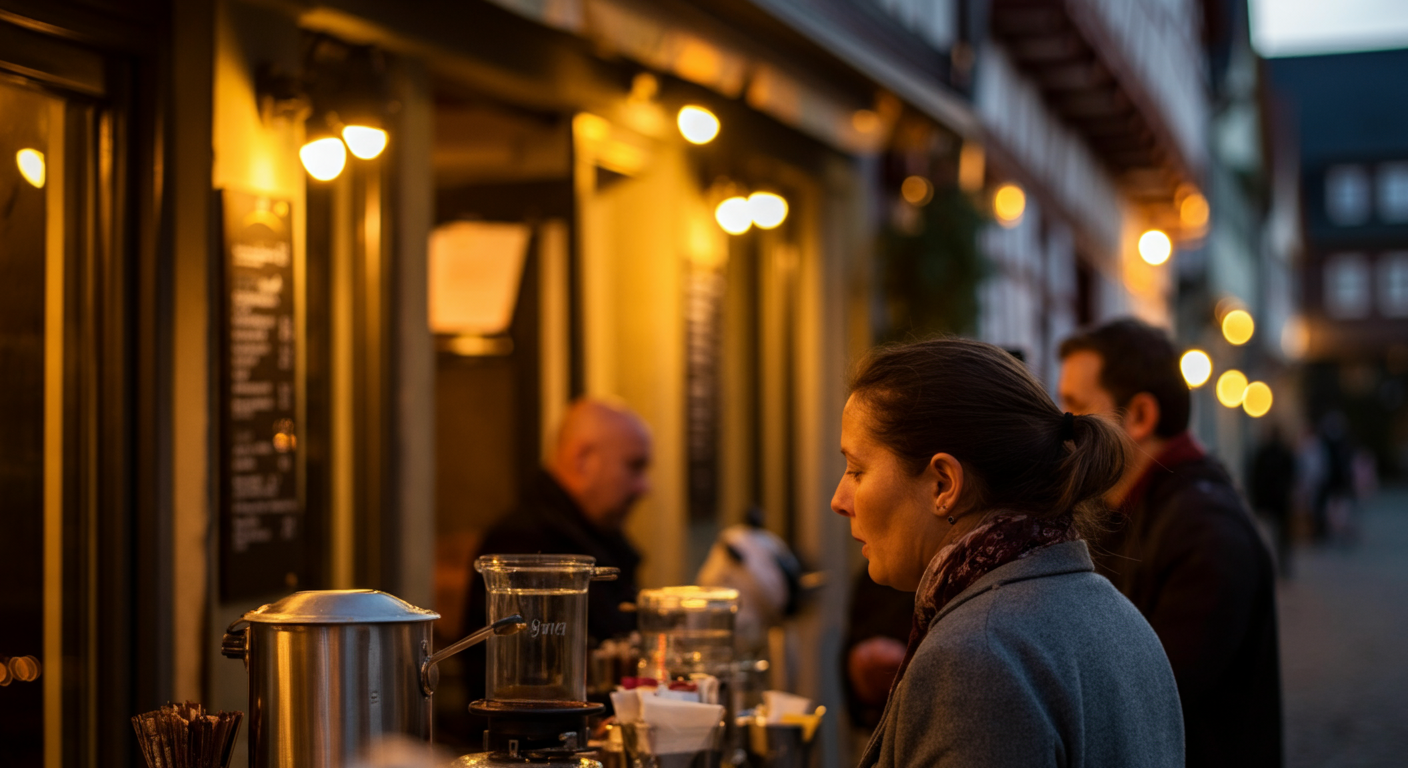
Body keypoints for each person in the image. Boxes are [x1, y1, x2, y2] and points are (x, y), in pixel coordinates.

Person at [835, 338, 1183, 768]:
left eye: (856, 469)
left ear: (943, 483)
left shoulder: (974, 660)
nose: (839, 499)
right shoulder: (1120, 617)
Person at [1057, 318, 1282, 768]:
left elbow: (1145, 695)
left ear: (1139, 416)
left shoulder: (1206, 532)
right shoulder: (1128, 507)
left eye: (1076, 410)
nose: (1063, 432)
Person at [461, 397, 652, 705]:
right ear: (582, 458)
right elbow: (527, 693)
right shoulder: (523, 547)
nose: (645, 487)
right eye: (634, 466)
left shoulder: (596, 538)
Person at [1248, 423, 1297, 577]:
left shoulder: (1264, 453)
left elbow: (1255, 478)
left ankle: (1268, 568)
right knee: (1282, 538)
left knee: (1268, 537)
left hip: (1268, 502)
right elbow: (1292, 477)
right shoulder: (1284, 453)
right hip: (1280, 501)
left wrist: (1257, 501)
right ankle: (1281, 568)